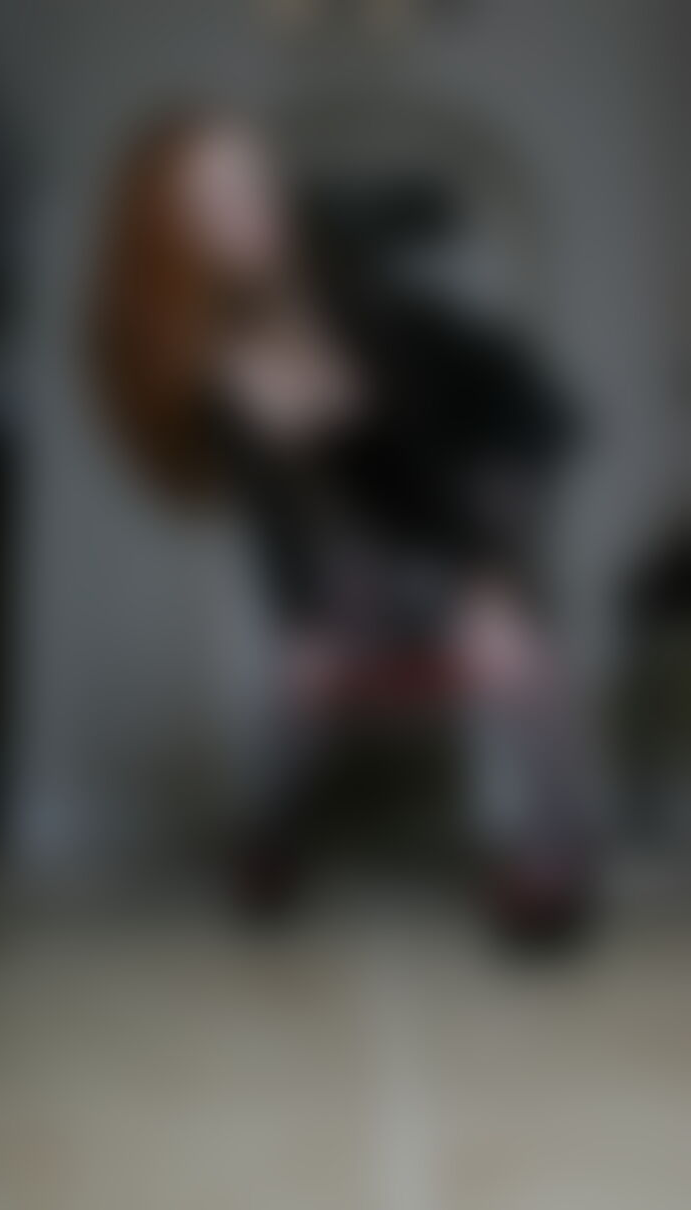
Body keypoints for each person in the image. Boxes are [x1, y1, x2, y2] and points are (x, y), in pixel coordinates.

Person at [86, 107, 597, 940]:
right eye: (213, 198)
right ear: (173, 237)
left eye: (253, 179)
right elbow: (277, 517)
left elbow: (437, 469)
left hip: (478, 489)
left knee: (514, 648)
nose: (249, 207)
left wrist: (491, 582)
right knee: (302, 663)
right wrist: (302, 622)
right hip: (376, 533)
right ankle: (267, 840)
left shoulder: (364, 305)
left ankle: (557, 856)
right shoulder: (219, 369)